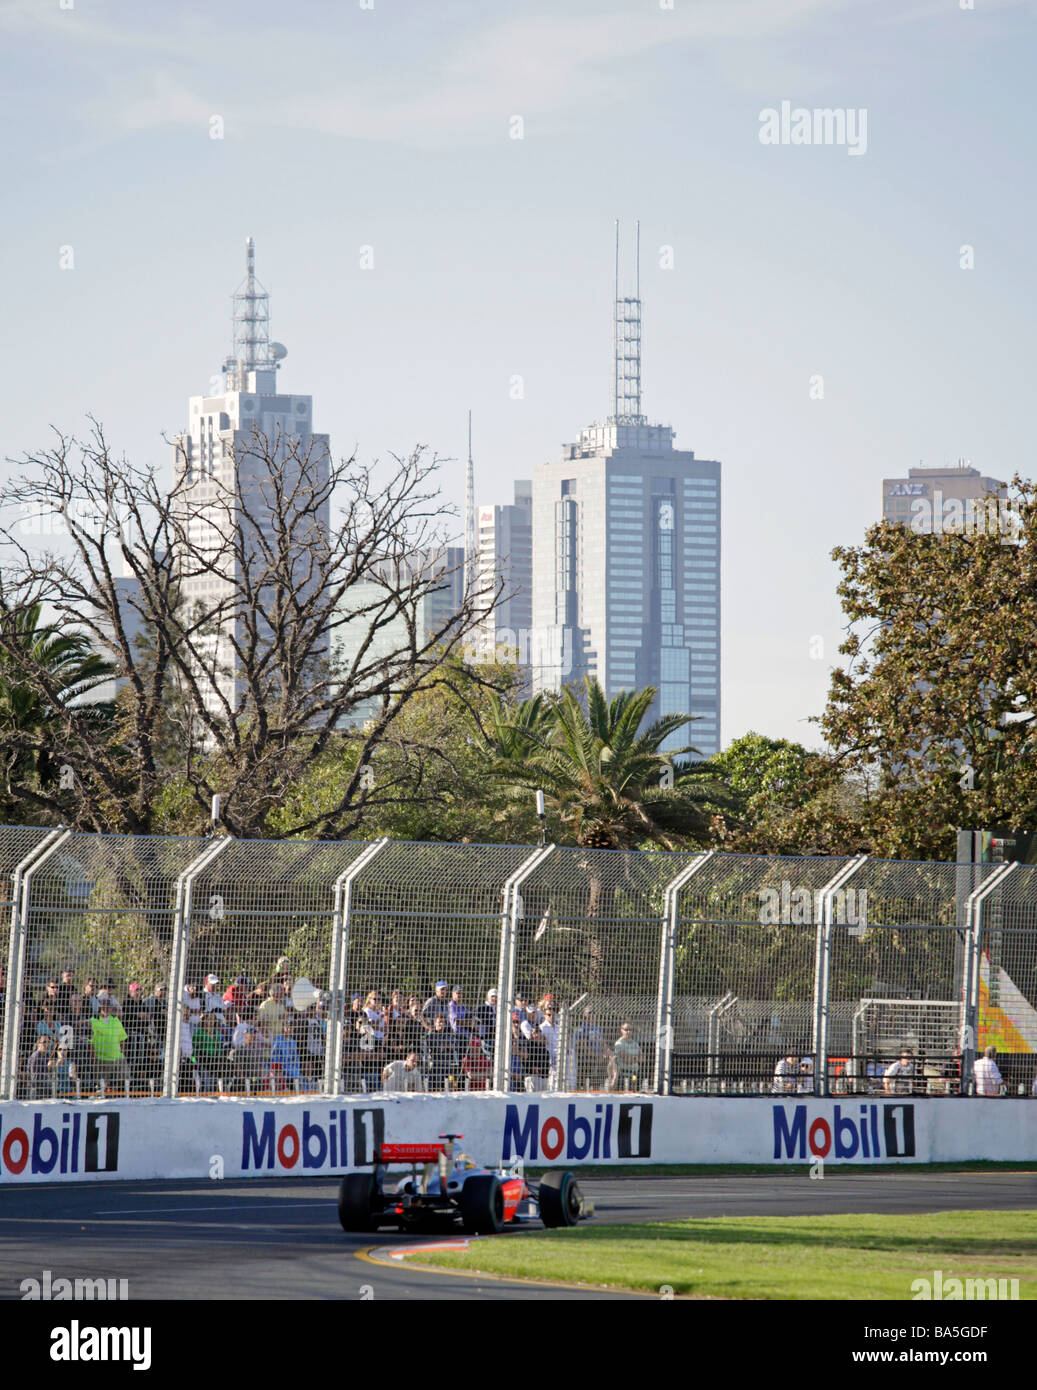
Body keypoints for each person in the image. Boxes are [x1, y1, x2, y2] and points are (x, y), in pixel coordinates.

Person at [91, 999, 128, 1092]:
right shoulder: (94, 1021)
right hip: (101, 1057)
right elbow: (90, 1042)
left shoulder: (116, 1021)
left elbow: (122, 1039)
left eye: (108, 1007)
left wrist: (122, 1054)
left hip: (117, 1057)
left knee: (123, 1079)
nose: (106, 1009)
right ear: (100, 1008)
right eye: (104, 1007)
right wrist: (92, 1058)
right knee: (103, 1083)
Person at [574, 1008, 606, 1090]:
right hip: (585, 1061)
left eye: (594, 1013)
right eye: (589, 1012)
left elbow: (603, 1043)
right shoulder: (582, 1028)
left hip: (597, 1060)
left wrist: (604, 1053)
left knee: (596, 1084)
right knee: (584, 1084)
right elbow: (582, 1046)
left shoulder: (598, 1028)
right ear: (585, 1015)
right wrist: (596, 1056)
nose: (592, 1015)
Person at [425, 1013, 458, 1091]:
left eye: (443, 1022)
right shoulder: (431, 1035)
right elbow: (435, 1047)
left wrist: (445, 1046)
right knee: (436, 1084)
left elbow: (454, 1046)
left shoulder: (448, 1035)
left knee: (451, 1081)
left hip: (447, 1064)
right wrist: (445, 1046)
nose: (441, 1024)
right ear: (435, 1023)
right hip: (435, 1064)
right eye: (439, 1022)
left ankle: (452, 1089)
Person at [609, 1022, 642, 1091]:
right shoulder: (619, 1043)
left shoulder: (635, 1043)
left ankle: (635, 1090)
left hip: (634, 1073)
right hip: (623, 1072)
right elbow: (627, 1060)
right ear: (621, 1030)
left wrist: (632, 1058)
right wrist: (636, 1058)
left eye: (630, 1029)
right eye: (626, 1029)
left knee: (635, 1088)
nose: (628, 1031)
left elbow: (643, 1058)